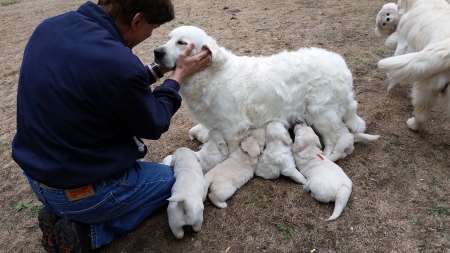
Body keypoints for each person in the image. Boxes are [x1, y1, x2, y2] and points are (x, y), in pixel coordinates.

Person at [11, 0, 210, 252]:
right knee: (180, 180)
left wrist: (156, 71)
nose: (150, 36)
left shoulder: (50, 27)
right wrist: (177, 76)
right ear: (137, 20)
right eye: (152, 28)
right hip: (85, 195)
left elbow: (108, 81)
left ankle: (67, 213)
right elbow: (155, 123)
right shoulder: (118, 62)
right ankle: (87, 234)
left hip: (37, 179)